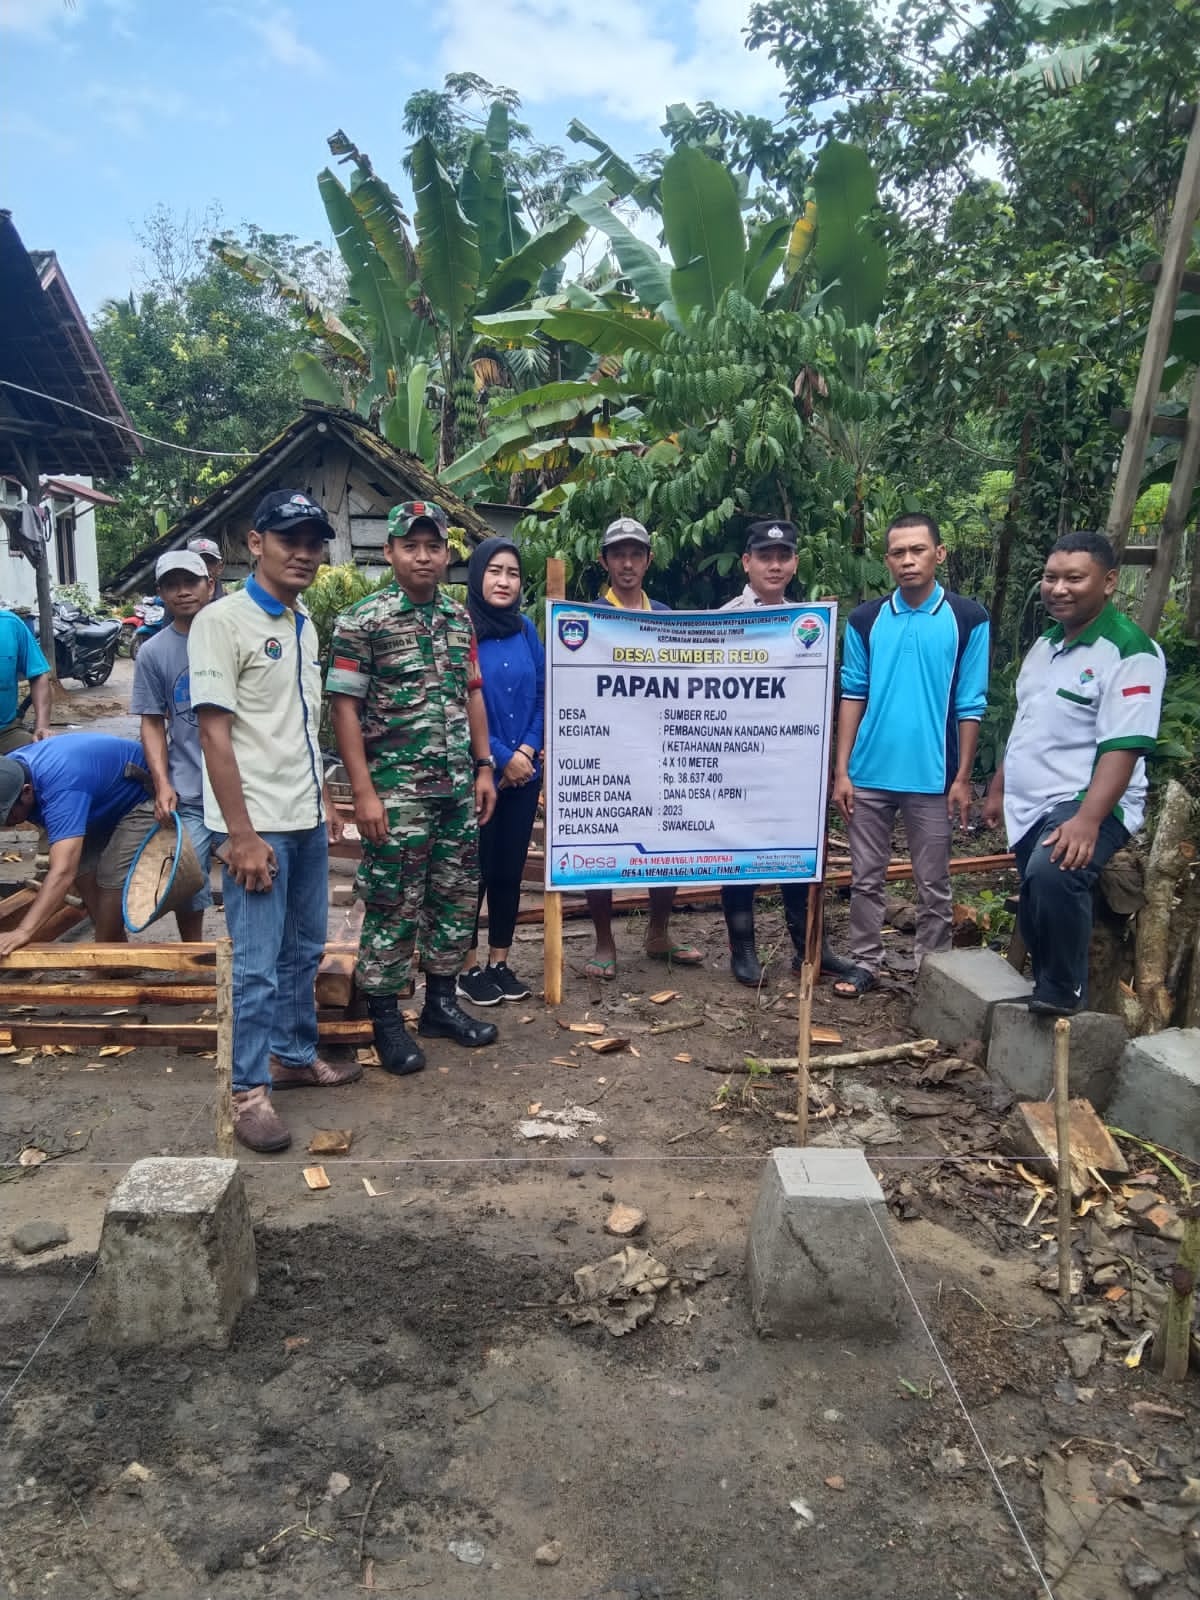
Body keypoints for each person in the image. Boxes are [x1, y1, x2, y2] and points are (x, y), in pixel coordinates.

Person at [190, 490, 359, 1155]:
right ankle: (248, 1093)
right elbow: (213, 734)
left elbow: (295, 726)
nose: (305, 553)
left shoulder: (303, 622)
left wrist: (327, 799)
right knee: (257, 966)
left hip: (304, 819)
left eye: (315, 542)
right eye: (291, 539)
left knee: (304, 951)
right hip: (254, 826)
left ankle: (293, 1055)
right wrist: (238, 835)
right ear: (255, 543)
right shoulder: (222, 621)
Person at [328, 499, 499, 1075]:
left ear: (446, 553)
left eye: (433, 546)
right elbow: (345, 710)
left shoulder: (458, 619)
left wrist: (483, 767)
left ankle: (441, 1007)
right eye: (411, 546)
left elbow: (472, 693)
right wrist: (363, 793)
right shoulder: (362, 620)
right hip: (396, 792)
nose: (423, 556)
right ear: (390, 552)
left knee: (454, 899)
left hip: (456, 789)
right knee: (392, 905)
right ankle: (385, 1022)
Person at [983, 531, 1165, 1016]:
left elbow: (1123, 748)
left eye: (1074, 578)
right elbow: (1028, 723)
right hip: (1031, 801)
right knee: (1036, 892)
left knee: (1054, 872)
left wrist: (1087, 819)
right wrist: (998, 787)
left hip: (1089, 798)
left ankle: (1065, 993)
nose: (1058, 588)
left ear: (1108, 582)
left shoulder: (1129, 651)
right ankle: (1048, 986)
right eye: (1051, 577)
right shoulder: (1045, 645)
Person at [833, 512, 989, 996]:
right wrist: (842, 771)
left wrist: (963, 777)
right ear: (887, 560)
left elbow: (971, 700)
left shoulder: (967, 619)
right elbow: (853, 693)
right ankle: (865, 963)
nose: (907, 560)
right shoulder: (865, 619)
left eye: (917, 550)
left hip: (934, 775)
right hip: (869, 773)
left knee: (934, 882)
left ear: (939, 554)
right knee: (865, 879)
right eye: (898, 552)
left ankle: (932, 970)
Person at [718, 519, 858, 987]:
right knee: (739, 858)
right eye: (765, 557)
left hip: (794, 765)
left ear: (794, 562)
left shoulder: (810, 625)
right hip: (739, 763)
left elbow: (823, 695)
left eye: (783, 557)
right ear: (747, 562)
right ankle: (743, 952)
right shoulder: (725, 619)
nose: (775, 565)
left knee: (799, 856)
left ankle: (811, 950)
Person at [585, 516, 701, 979]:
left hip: (660, 747)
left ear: (649, 560)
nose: (628, 563)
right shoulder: (588, 620)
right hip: (608, 749)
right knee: (599, 841)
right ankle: (604, 940)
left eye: (636, 554)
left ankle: (658, 933)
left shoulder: (668, 618)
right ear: (605, 560)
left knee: (666, 839)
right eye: (619, 554)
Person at [457, 536, 545, 1006]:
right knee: (476, 870)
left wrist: (527, 750)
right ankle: (466, 966)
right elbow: (458, 700)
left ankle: (500, 961)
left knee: (510, 869)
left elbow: (542, 694)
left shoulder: (526, 629)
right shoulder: (459, 627)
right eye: (495, 571)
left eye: (512, 573)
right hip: (480, 774)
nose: (504, 581)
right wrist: (499, 755)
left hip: (524, 773)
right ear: (476, 576)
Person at [0, 733, 157, 956]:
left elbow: (63, 872)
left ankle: (109, 953)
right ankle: (113, 951)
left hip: (142, 792)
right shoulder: (10, 771)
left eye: (8, 815)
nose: (6, 823)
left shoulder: (61, 787)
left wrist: (24, 931)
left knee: (111, 876)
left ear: (26, 791)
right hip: (97, 799)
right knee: (83, 870)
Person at [130, 550, 216, 942]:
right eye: (172, 585)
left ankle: (250, 961)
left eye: (191, 582)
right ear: (161, 593)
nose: (183, 592)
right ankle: (195, 957)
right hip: (191, 792)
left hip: (247, 790)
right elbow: (151, 720)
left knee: (255, 877)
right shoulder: (153, 652)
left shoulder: (235, 636)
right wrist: (163, 783)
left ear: (209, 585)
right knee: (185, 878)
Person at [0, 608, 51, 752]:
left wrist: (42, 726)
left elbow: (38, 674)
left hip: (6, 732)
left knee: (49, 756)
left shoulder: (11, 624)